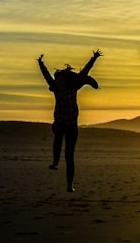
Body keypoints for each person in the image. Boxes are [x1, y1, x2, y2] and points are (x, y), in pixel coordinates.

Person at [38, 50, 102, 192]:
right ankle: (55, 162)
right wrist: (40, 64)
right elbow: (47, 76)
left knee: (69, 155)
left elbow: (84, 72)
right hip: (60, 123)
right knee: (57, 137)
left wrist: (94, 58)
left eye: (61, 81)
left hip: (72, 126)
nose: (59, 83)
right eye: (58, 81)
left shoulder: (73, 88)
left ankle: (69, 185)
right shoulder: (55, 89)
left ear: (66, 81)